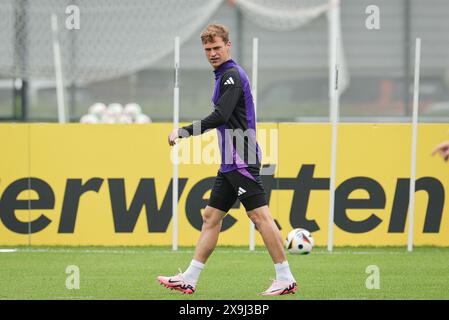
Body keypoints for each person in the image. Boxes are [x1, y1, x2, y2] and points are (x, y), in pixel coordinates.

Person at [157, 24, 297, 296]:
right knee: (211, 217)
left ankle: (285, 277)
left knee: (260, 217)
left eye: (217, 48)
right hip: (230, 161)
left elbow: (221, 116)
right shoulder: (222, 76)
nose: (212, 53)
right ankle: (190, 278)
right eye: (207, 49)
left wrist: (184, 131)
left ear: (228, 46)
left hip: (241, 157)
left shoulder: (231, 75)